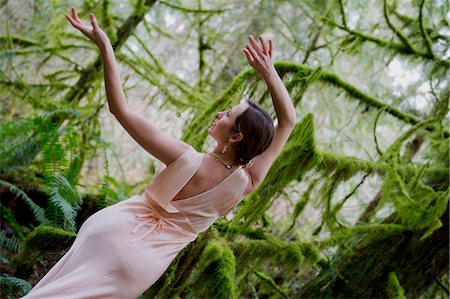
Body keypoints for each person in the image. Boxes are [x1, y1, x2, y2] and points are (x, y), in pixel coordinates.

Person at [22, 7, 296, 299]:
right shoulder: (248, 182)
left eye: (228, 114)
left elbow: (120, 109)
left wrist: (106, 47)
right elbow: (288, 121)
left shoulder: (186, 157)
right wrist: (270, 76)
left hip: (112, 233)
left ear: (236, 136)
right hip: (142, 268)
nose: (219, 113)